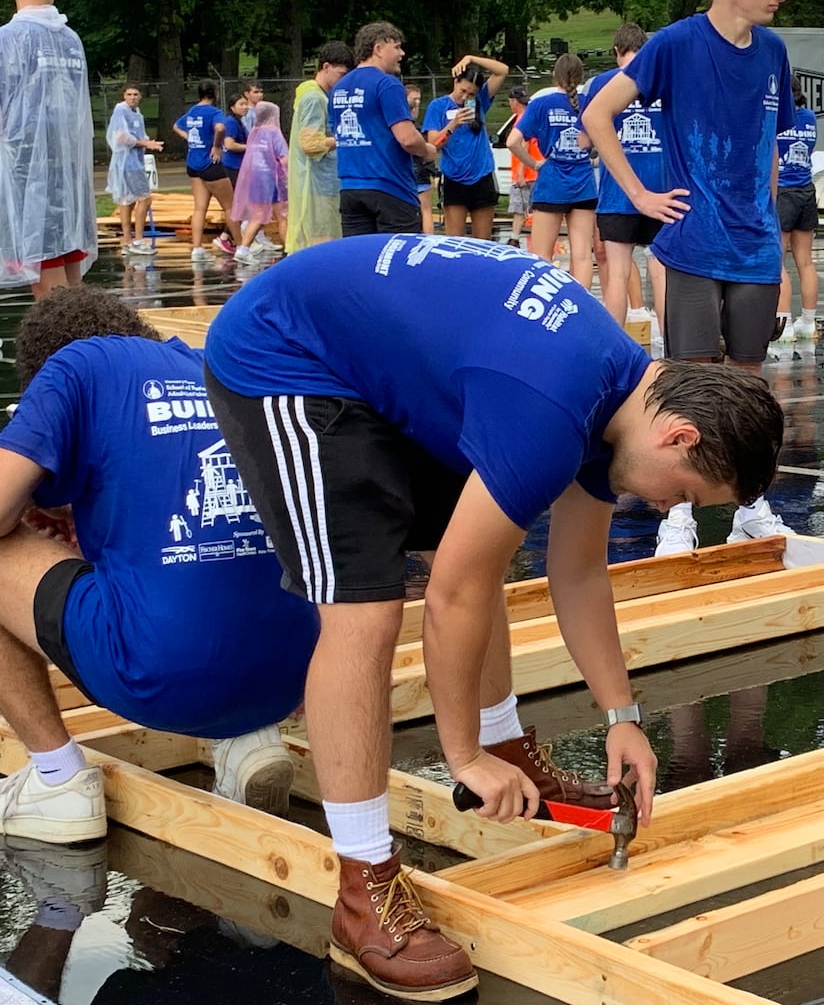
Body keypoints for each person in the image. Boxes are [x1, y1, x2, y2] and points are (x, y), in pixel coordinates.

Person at [203, 233, 785, 1000]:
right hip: (284, 359)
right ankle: (362, 887)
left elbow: (577, 573)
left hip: (369, 360)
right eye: (683, 493)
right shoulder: (552, 406)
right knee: (367, 607)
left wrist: (622, 716)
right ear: (680, 434)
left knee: (485, 543)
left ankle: (511, 746)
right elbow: (449, 596)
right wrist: (461, 755)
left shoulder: (616, 398)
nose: (666, 506)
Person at [0, 286, 319, 847]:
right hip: (294, 675)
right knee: (216, 558)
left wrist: (28, 510)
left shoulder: (75, 366)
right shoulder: (212, 366)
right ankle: (246, 737)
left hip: (161, 674)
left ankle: (58, 782)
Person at [583, 0, 800, 556]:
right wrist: (640, 197)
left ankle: (751, 506)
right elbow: (599, 115)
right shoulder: (675, 44)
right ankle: (676, 515)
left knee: (752, 386)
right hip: (694, 241)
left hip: (755, 245)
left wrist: (772, 231)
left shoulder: (774, 52)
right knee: (691, 381)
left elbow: (769, 148)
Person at [0, 0, 97, 300]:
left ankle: (64, 350)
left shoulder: (7, 41)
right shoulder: (70, 40)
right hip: (67, 175)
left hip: (26, 176)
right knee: (70, 277)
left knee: (47, 284)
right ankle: (83, 343)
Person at [584, 23, 667, 325]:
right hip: (662, 191)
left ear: (617, 51)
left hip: (617, 193)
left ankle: (617, 350)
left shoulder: (601, 84)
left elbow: (586, 139)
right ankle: (668, 345)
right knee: (661, 272)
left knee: (617, 275)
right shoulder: (663, 81)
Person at [332, 21, 437, 236]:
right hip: (389, 187)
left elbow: (338, 134)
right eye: (396, 47)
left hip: (350, 187)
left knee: (361, 261)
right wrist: (427, 151)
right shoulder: (387, 84)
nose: (402, 53)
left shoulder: (338, 88)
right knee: (398, 261)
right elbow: (407, 138)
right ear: (378, 49)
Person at [511, 53, 596, 283]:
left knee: (542, 257)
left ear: (553, 76)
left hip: (552, 183)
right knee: (582, 256)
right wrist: (593, 160)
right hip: (584, 184)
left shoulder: (541, 104)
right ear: (580, 76)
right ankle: (582, 307)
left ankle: (547, 309)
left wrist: (535, 164)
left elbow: (512, 142)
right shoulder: (589, 102)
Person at [425, 54, 509, 240]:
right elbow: (433, 145)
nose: (465, 97)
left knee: (483, 243)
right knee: (455, 242)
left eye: (471, 94)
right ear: (455, 81)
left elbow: (502, 71)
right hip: (454, 179)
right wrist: (453, 124)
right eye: (463, 91)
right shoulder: (438, 106)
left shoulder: (479, 102)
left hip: (482, 177)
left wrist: (471, 59)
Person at [285, 40, 352, 253]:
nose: (343, 81)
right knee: (321, 239)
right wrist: (343, 138)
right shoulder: (314, 98)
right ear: (325, 67)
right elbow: (310, 143)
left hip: (323, 181)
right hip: (315, 184)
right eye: (341, 75)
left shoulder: (319, 96)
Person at [775, 73, 820, 342]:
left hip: (783, 190)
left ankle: (785, 322)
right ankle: (808, 321)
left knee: (778, 262)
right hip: (806, 189)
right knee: (805, 261)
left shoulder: (780, 119)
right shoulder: (810, 117)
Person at [174, 82, 239, 263]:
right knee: (230, 207)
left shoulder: (192, 111)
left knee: (199, 208)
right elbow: (220, 128)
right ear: (215, 93)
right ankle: (242, 247)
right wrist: (217, 146)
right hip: (210, 164)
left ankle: (197, 248)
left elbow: (176, 126)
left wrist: (190, 138)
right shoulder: (215, 112)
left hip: (193, 163)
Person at [106, 84, 163, 256]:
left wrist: (148, 142)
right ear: (123, 95)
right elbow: (122, 137)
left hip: (134, 160)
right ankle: (137, 239)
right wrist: (145, 143)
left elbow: (139, 135)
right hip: (127, 162)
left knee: (128, 200)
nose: (132, 97)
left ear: (140, 96)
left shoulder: (137, 113)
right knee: (144, 198)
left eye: (135, 94)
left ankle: (128, 241)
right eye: (129, 94)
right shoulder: (121, 111)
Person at [231, 102, 289, 264]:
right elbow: (284, 158)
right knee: (283, 216)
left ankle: (243, 248)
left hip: (256, 180)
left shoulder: (254, 133)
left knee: (257, 217)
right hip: (274, 180)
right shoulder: (274, 133)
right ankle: (290, 251)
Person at [499, 87, 537, 248]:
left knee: (519, 208)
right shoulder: (531, 116)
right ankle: (524, 238)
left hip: (527, 173)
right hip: (534, 171)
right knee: (530, 208)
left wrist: (520, 172)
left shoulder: (521, 119)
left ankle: (515, 239)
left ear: (513, 102)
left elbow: (524, 144)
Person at [404, 83, 436, 235]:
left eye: (419, 100)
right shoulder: (410, 127)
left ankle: (427, 239)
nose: (417, 104)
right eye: (413, 100)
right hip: (414, 173)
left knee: (425, 211)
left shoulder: (416, 127)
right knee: (425, 211)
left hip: (415, 174)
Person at [221, 92, 250, 186]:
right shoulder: (231, 122)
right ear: (232, 107)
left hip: (238, 165)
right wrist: (250, 147)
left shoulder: (238, 121)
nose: (245, 107)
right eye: (241, 104)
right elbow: (229, 145)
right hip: (232, 166)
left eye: (246, 104)